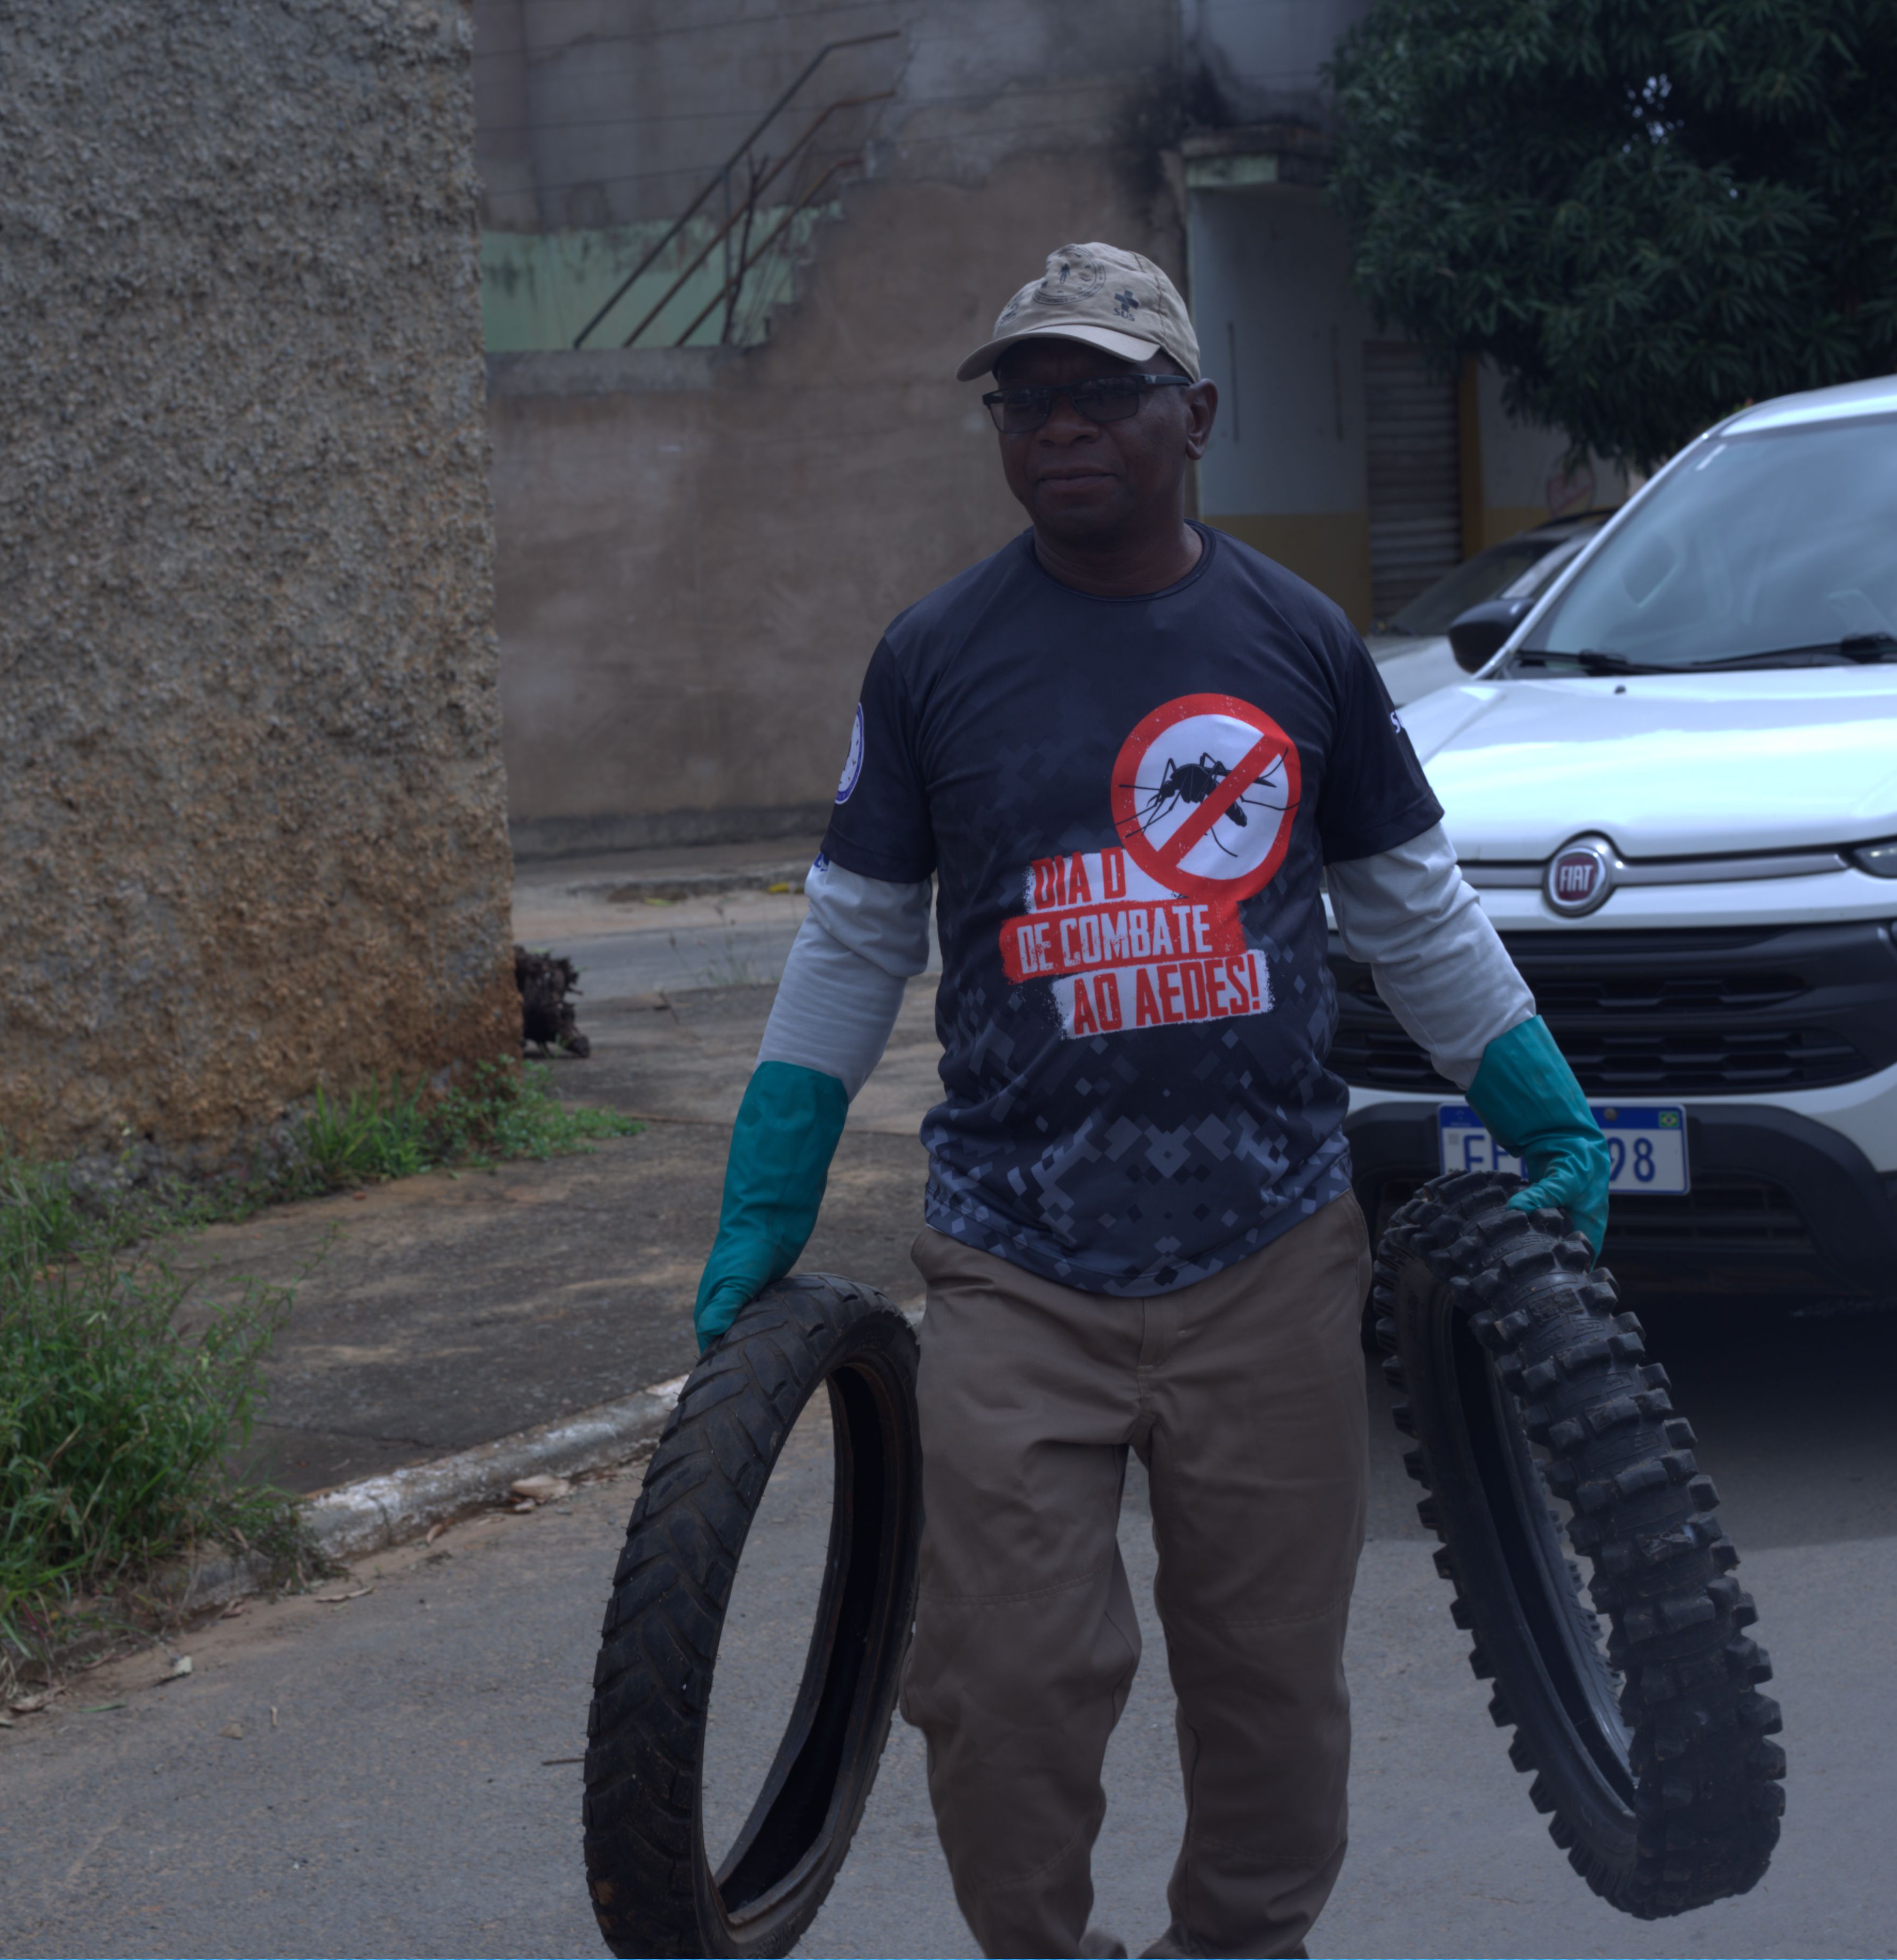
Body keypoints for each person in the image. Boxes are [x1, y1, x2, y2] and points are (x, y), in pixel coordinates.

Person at [690, 242, 1610, 1960]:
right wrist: (768, 1210)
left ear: (1194, 414)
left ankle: (1241, 1945)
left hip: (1268, 1249)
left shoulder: (1300, 644)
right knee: (1004, 1682)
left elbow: (1411, 908)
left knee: (1268, 1686)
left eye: (1102, 391)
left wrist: (1540, 1108)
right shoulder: (933, 658)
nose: (1059, 426)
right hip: (1014, 1261)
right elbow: (852, 948)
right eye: (1025, 398)